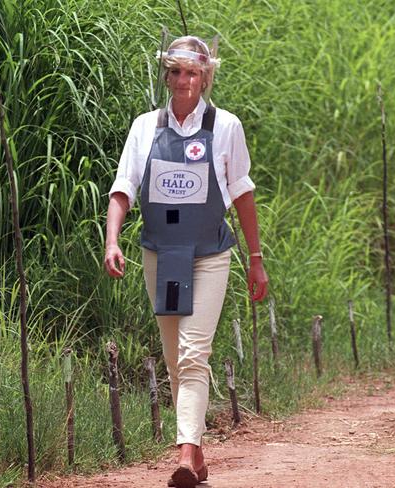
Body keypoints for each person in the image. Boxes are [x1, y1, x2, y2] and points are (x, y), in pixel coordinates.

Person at [104, 35, 268, 488]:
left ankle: (181, 456)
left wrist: (256, 258)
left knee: (195, 354)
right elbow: (123, 187)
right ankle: (196, 457)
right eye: (175, 72)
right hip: (162, 254)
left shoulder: (226, 126)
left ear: (205, 76)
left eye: (192, 72)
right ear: (166, 75)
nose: (183, 81)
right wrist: (112, 241)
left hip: (210, 255)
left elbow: (243, 194)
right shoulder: (145, 127)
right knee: (176, 358)